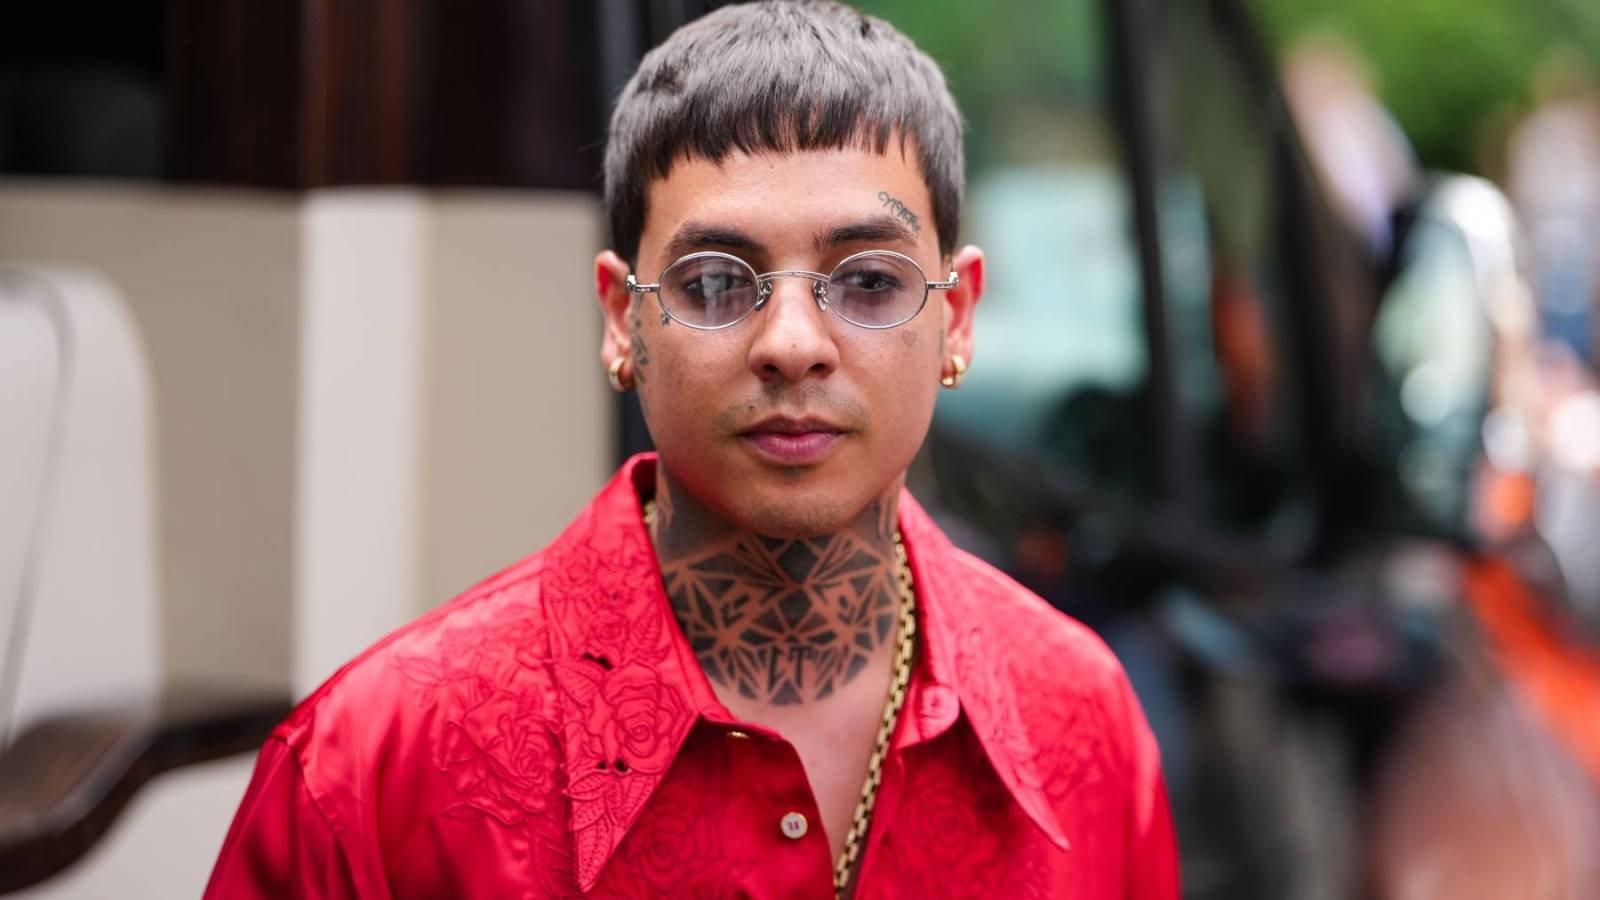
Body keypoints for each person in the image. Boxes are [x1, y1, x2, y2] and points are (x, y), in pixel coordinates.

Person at [203, 3, 1178, 896]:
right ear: (621, 321)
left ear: (955, 317)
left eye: (868, 281)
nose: (792, 343)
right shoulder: (375, 774)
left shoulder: (1080, 722)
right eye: (715, 283)